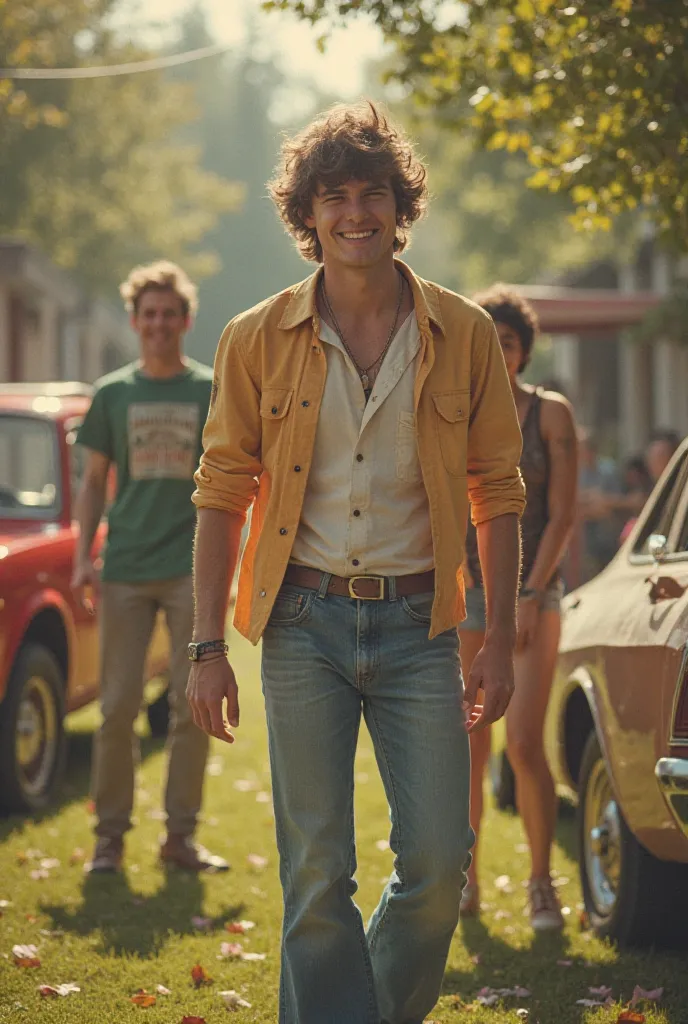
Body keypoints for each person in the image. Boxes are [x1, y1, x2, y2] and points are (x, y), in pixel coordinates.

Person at [187, 102, 525, 1024]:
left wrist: (498, 635)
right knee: (315, 873)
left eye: (371, 194)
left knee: (437, 862)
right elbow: (220, 490)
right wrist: (204, 648)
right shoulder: (255, 337)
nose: (354, 214)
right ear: (308, 215)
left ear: (398, 203)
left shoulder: (461, 334)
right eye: (332, 198)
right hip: (302, 624)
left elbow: (500, 488)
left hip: (424, 627)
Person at [72, 260, 228, 875]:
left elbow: (231, 479)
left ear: (186, 320)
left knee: (195, 704)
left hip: (194, 567)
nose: (159, 324)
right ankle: (109, 839)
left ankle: (179, 839)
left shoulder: (209, 389)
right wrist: (86, 556)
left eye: (170, 314)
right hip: (127, 568)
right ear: (135, 322)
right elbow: (91, 482)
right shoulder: (112, 393)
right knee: (117, 706)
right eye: (149, 315)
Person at [459, 286, 578, 931]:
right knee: (470, 743)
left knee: (526, 743)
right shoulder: (458, 411)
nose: (498, 351)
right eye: (489, 340)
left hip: (537, 591)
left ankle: (540, 885)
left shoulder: (550, 415)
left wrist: (531, 593)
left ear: (523, 350)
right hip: (468, 593)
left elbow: (562, 514)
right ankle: (467, 882)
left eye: (507, 341)